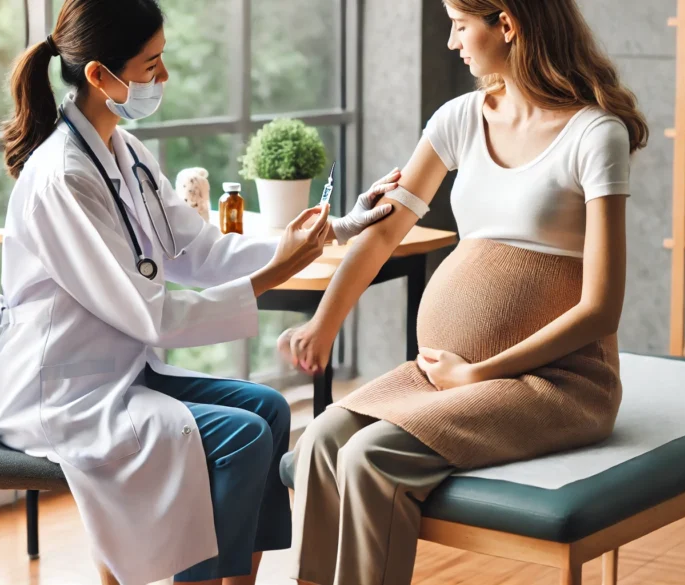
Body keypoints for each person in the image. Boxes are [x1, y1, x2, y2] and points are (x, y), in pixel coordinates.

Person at [0, 1, 394, 584]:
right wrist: (274, 273)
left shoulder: (125, 155)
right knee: (243, 435)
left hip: (117, 370)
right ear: (101, 76)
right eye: (151, 64)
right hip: (63, 392)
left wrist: (336, 228)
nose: (164, 77)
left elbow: (199, 252)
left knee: (270, 408)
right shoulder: (63, 178)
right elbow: (149, 314)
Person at [277, 1, 649, 584]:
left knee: (370, 459)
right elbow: (380, 237)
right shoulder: (458, 118)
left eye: (458, 24)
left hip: (559, 382)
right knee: (323, 437)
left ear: (507, 23)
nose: (451, 42)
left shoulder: (594, 135)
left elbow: (602, 306)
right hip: (447, 373)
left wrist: (481, 373)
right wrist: (324, 323)